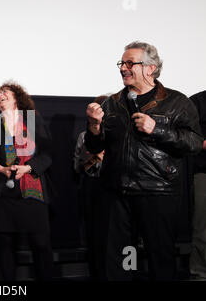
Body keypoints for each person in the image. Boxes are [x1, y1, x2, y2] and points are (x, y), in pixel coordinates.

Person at [85, 41, 203, 280]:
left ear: (150, 68)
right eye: (121, 63)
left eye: (130, 63)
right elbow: (95, 146)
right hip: (118, 193)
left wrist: (157, 129)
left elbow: (193, 143)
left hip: (157, 192)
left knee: (160, 258)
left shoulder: (177, 102)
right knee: (122, 258)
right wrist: (95, 127)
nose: (123, 68)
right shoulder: (112, 103)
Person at [0, 82, 54, 281]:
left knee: (41, 244)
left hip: (32, 190)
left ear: (17, 98)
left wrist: (29, 168)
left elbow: (48, 154)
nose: (0, 96)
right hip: (2, 192)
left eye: (5, 93)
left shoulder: (33, 120)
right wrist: (2, 169)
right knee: (4, 245)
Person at [73, 94, 108, 280]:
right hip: (93, 189)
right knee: (95, 239)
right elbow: (78, 167)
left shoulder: (121, 134)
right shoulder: (84, 136)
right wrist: (96, 157)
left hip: (117, 191)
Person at [189, 90, 206, 279]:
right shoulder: (198, 101)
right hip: (204, 171)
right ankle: (201, 271)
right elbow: (188, 136)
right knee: (203, 227)